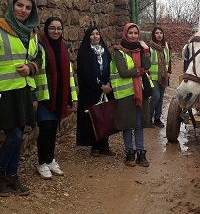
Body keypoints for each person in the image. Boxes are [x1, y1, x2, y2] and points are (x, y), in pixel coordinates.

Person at [0, 0, 42, 197]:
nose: (23, 10)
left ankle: (12, 176)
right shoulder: (1, 29)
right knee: (14, 136)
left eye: (27, 7)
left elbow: (39, 60)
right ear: (12, 6)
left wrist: (31, 67)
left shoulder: (32, 33)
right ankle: (2, 175)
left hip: (24, 91)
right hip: (5, 92)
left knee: (19, 134)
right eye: (19, 5)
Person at [34, 17, 78, 179]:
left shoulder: (63, 47)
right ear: (46, 29)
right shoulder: (39, 46)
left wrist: (72, 97)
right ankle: (42, 163)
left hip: (60, 97)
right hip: (45, 97)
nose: (56, 31)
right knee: (45, 129)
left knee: (53, 130)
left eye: (59, 28)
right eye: (52, 28)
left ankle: (50, 159)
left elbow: (70, 75)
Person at [111, 23, 152, 167]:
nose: (133, 36)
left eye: (136, 33)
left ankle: (141, 153)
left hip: (140, 92)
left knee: (139, 124)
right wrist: (139, 71)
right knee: (127, 125)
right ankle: (129, 153)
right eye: (131, 33)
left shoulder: (141, 49)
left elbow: (147, 66)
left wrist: (146, 49)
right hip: (126, 94)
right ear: (125, 34)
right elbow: (123, 72)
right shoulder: (118, 51)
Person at [76, 26, 114, 157]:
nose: (95, 36)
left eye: (97, 34)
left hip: (106, 89)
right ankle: (95, 145)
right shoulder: (84, 52)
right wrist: (100, 85)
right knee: (93, 117)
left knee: (105, 116)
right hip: (91, 90)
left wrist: (109, 83)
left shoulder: (105, 51)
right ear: (88, 37)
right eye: (92, 34)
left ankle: (104, 144)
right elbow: (86, 73)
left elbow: (111, 67)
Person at [148, 26, 171, 128]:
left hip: (163, 76)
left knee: (160, 98)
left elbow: (169, 59)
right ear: (153, 35)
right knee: (155, 97)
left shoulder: (166, 45)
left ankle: (157, 119)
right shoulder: (149, 47)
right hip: (153, 77)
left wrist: (169, 71)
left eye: (161, 33)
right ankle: (148, 118)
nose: (159, 35)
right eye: (157, 33)